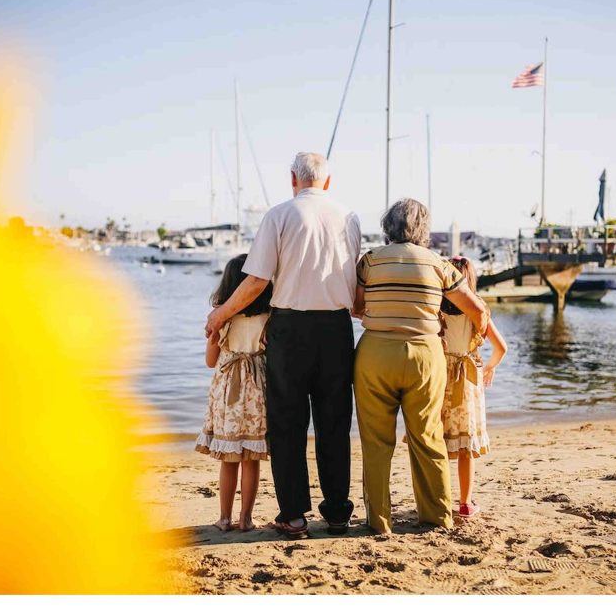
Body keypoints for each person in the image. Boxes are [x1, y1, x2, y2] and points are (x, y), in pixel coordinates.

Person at [205, 152, 360, 540]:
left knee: (288, 425)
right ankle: (338, 513)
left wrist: (221, 314)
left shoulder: (279, 215)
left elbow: (256, 281)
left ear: (293, 178)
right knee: (334, 423)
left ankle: (293, 516)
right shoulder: (350, 217)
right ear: (328, 181)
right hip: (337, 328)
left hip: (289, 328)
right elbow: (356, 288)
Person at [351, 198, 489, 534]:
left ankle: (379, 520)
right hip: (426, 357)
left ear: (388, 226)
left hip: (375, 355)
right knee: (428, 438)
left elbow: (356, 307)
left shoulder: (369, 261)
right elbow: (478, 311)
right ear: (424, 229)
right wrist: (475, 343)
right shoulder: (440, 265)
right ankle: (436, 516)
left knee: (376, 442)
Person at [196, 254, 274, 533]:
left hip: (227, 389)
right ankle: (247, 519)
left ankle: (225, 518)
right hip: (257, 390)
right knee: (250, 459)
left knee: (229, 459)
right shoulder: (269, 317)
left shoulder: (222, 319)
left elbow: (209, 361)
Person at [438, 256, 507, 519]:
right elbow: (502, 348)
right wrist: (489, 367)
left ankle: (440, 500)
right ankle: (465, 503)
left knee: (439, 443)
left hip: (440, 377)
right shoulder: (478, 309)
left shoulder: (436, 308)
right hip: (467, 380)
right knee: (466, 448)